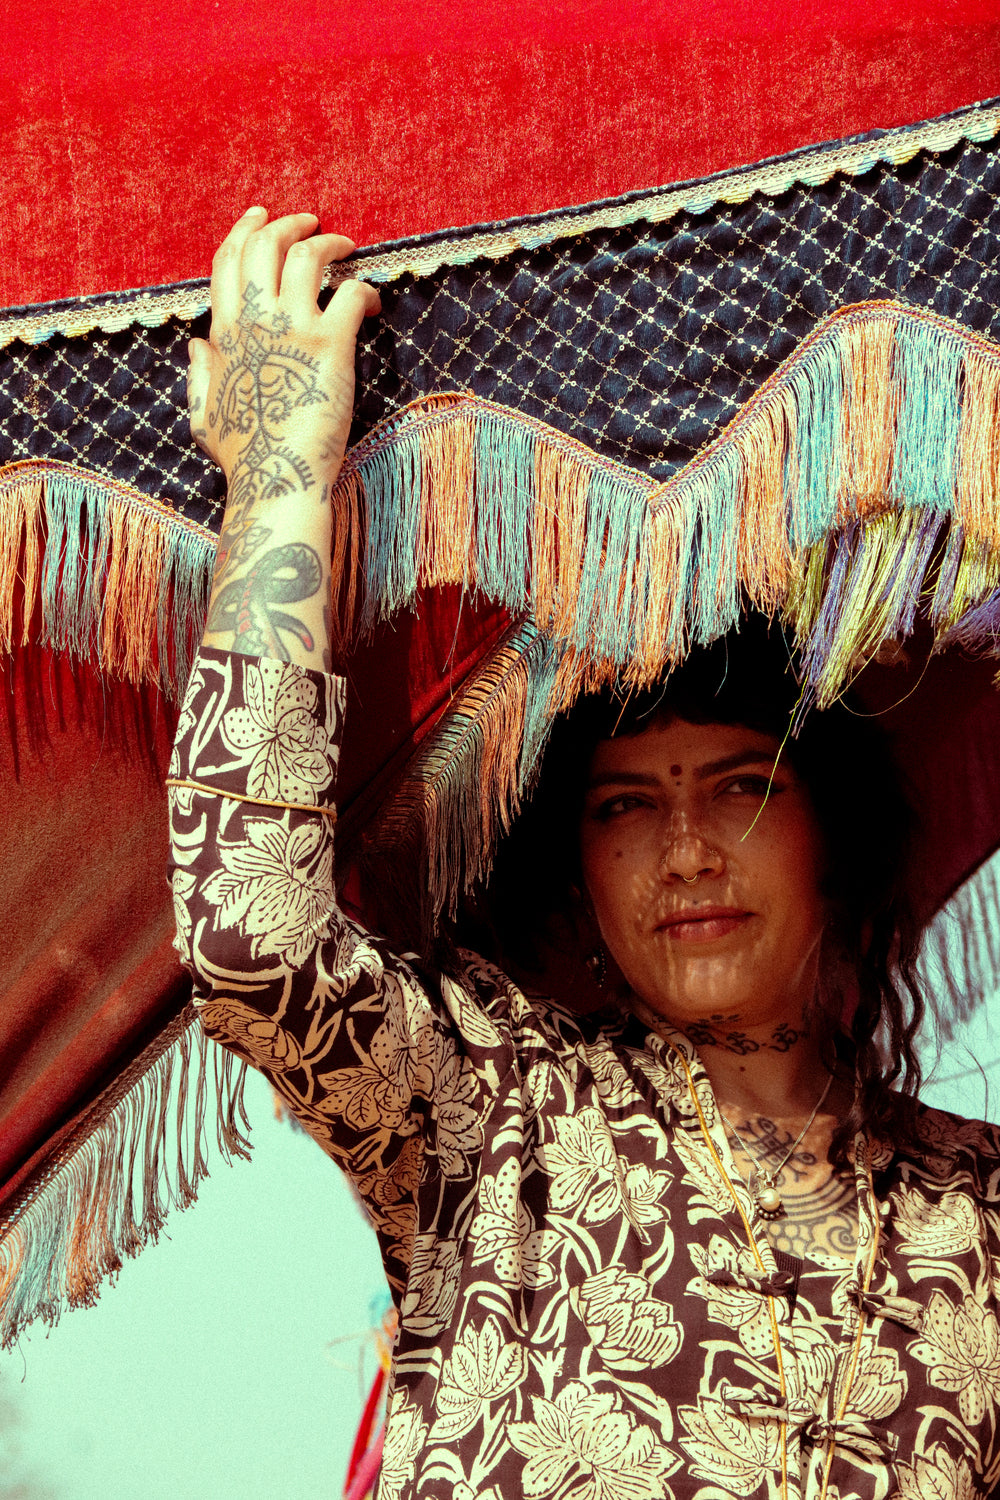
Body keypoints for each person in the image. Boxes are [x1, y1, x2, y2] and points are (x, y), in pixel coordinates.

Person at [170, 209, 1000, 1500]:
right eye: (624, 807)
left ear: (834, 836)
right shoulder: (494, 1121)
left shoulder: (977, 1217)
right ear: (579, 870)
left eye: (743, 786)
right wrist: (280, 469)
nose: (686, 851)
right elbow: (250, 941)